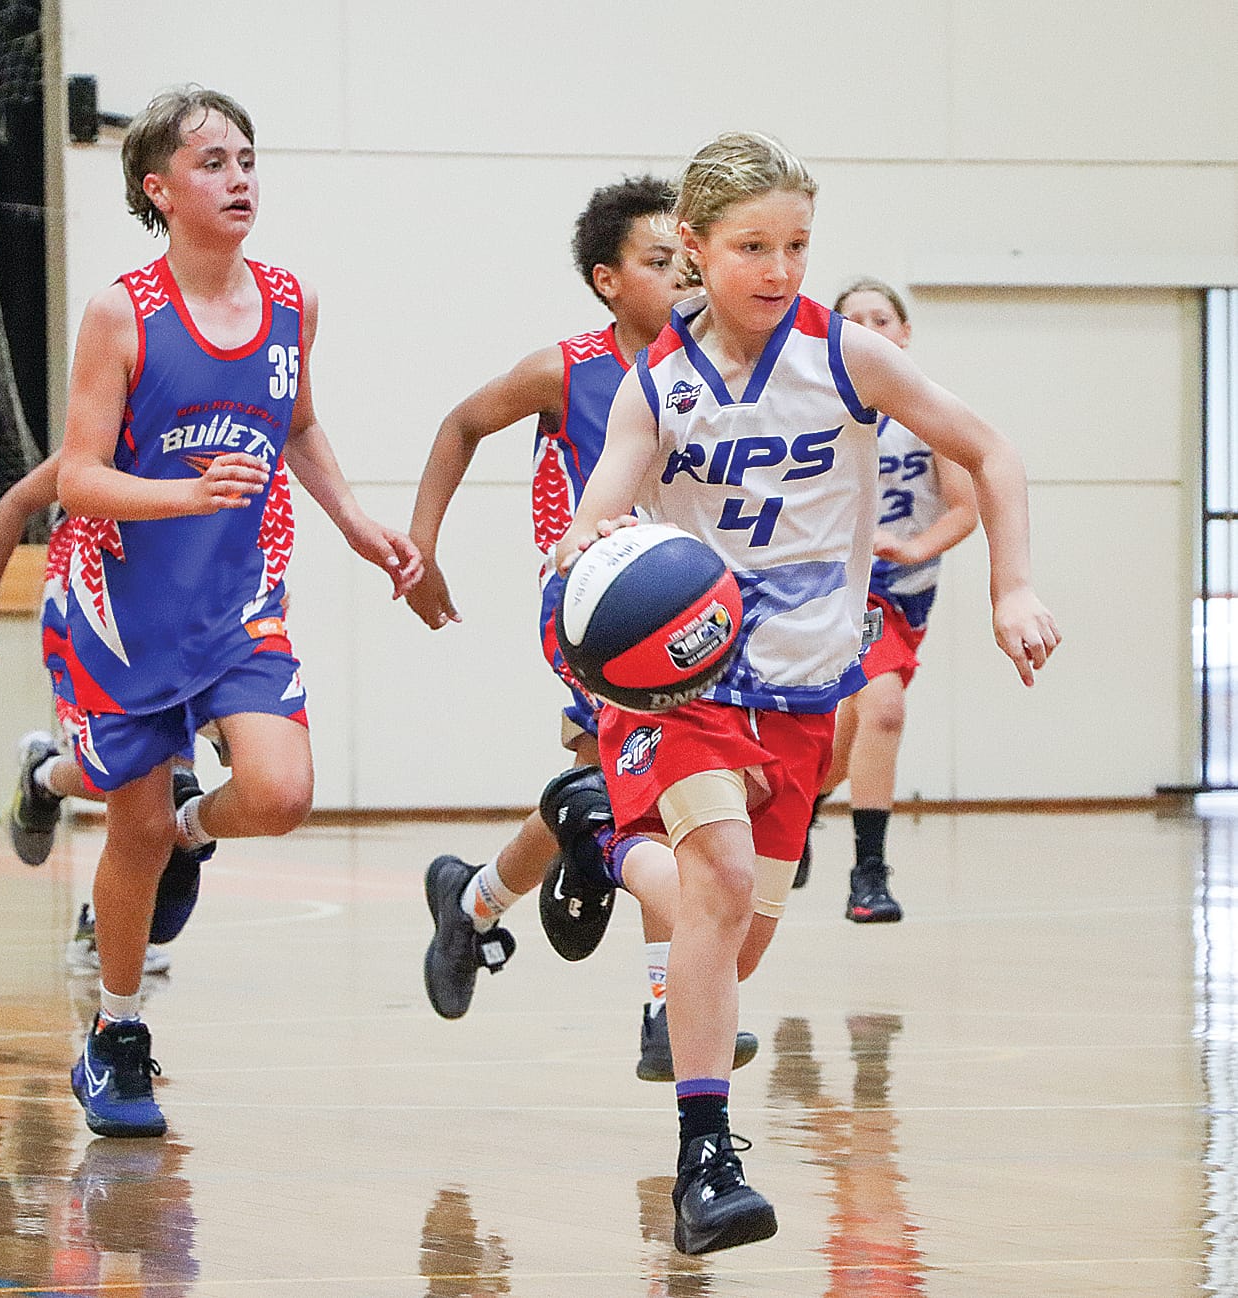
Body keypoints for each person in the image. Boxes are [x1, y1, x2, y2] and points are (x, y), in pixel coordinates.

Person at [553, 131, 1059, 1255]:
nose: (779, 268)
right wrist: (581, 551)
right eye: (751, 246)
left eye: (796, 245)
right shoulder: (659, 382)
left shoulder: (849, 358)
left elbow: (994, 451)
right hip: (686, 682)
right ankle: (707, 1159)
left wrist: (1011, 582)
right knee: (721, 879)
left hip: (801, 689)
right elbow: (597, 505)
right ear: (692, 246)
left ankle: (597, 834)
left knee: (730, 943)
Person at [56, 85, 420, 1138]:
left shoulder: (291, 300)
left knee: (280, 788)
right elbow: (78, 476)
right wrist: (181, 492)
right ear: (158, 189)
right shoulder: (122, 310)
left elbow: (298, 425)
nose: (239, 177)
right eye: (212, 162)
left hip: (238, 599)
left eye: (248, 158)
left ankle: (192, 828)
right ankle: (118, 1031)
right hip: (125, 606)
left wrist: (352, 518)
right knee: (126, 830)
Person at [407, 177, 756, 1080]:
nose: (683, 278)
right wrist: (422, 546)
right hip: (592, 609)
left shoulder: (717, 367)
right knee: (653, 782)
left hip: (682, 606)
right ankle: (658, 1006)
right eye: (658, 263)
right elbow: (460, 423)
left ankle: (476, 902)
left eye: (689, 262)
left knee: (608, 786)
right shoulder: (567, 368)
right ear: (606, 280)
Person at [0, 451, 293, 974]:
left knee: (168, 798)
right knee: (135, 781)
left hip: (175, 616)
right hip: (87, 613)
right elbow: (15, 503)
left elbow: (262, 543)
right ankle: (45, 776)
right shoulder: (109, 435)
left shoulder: (236, 436)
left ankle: (116, 900)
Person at [795, 279, 978, 922]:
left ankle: (802, 811)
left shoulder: (930, 414)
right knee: (885, 710)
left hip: (905, 591)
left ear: (904, 335)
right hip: (840, 587)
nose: (870, 328)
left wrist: (915, 545)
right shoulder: (814, 410)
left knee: (845, 744)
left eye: (882, 317)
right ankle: (869, 874)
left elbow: (965, 509)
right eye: (854, 320)